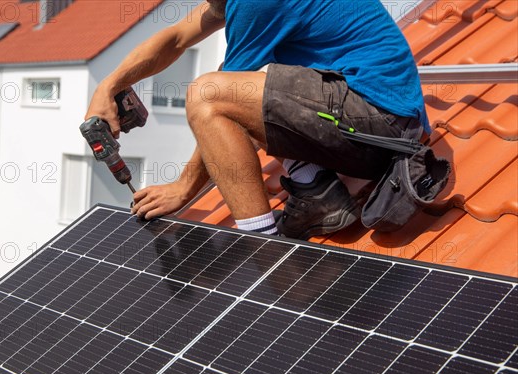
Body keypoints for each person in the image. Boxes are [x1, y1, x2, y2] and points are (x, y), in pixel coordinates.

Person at [85, 0, 429, 239]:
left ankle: (263, 244)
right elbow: (174, 39)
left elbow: (216, 106)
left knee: (212, 92)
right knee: (235, 81)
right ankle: (316, 191)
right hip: (375, 119)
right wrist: (109, 85)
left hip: (381, 132)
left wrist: (183, 189)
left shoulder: (255, 3)